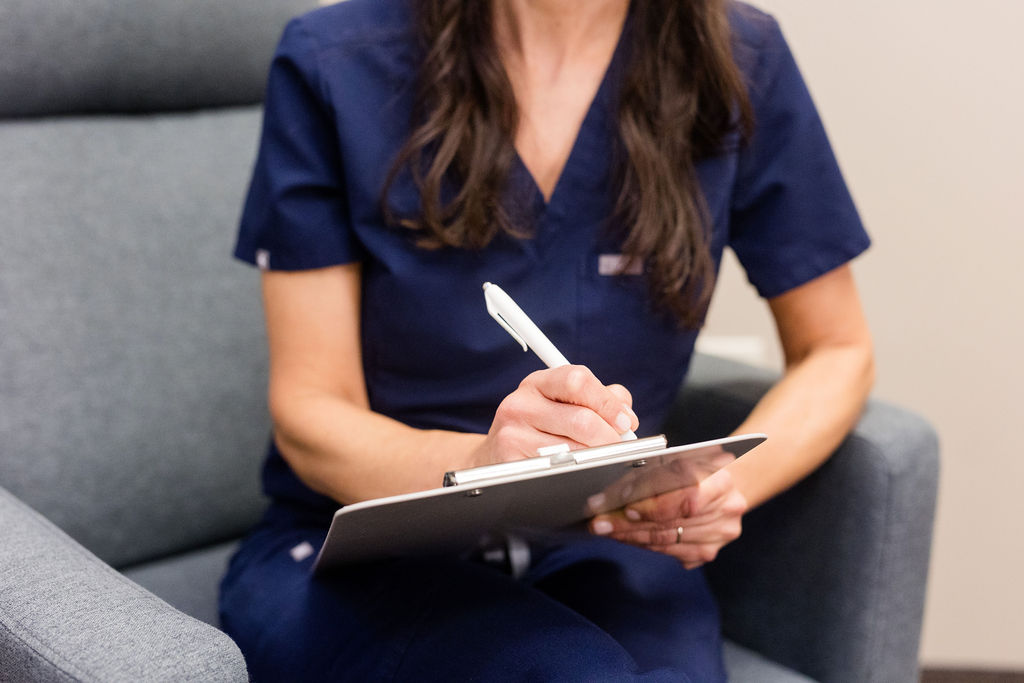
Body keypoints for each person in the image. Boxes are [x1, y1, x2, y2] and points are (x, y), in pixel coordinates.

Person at [219, 0, 874, 680]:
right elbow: (309, 413)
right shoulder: (336, 59)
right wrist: (483, 464)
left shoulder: (738, 57)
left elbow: (837, 350)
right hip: (356, 557)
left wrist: (715, 485)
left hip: (604, 543)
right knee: (566, 669)